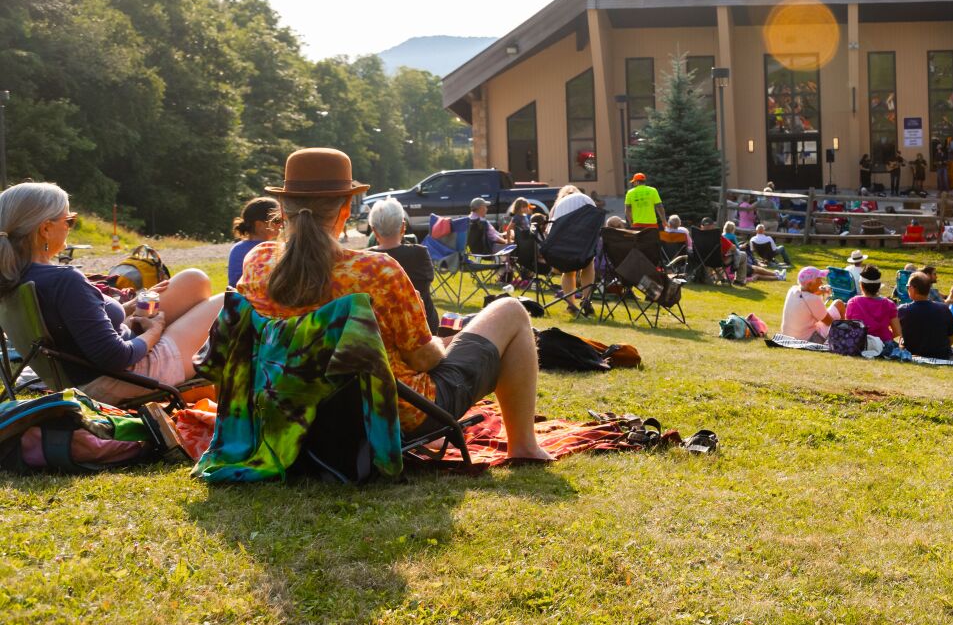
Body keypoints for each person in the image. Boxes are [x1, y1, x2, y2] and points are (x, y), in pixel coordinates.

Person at [237, 149, 553, 461]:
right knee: (510, 309)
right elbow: (424, 360)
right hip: (391, 416)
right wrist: (444, 343)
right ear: (346, 208)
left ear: (282, 207)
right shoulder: (376, 272)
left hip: (294, 415)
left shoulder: (258, 262)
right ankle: (524, 446)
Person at [0, 181, 223, 406]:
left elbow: (74, 321)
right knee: (228, 303)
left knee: (194, 280)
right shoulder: (64, 280)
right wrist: (155, 332)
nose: (70, 226)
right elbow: (115, 357)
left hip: (84, 371)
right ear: (45, 229)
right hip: (121, 378)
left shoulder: (15, 277)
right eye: (69, 221)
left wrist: (130, 305)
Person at [367, 198, 441, 333]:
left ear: (374, 230)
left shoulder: (365, 259)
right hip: (423, 328)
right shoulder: (420, 254)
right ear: (403, 227)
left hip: (381, 331)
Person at [548, 184, 595, 314]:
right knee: (588, 265)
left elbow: (549, 231)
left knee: (568, 271)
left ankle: (571, 304)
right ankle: (587, 300)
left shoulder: (556, 207)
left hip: (563, 248)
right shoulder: (586, 201)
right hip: (583, 246)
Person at [227, 198, 282, 288]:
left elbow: (233, 283)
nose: (282, 224)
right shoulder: (269, 249)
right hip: (258, 299)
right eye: (277, 220)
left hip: (237, 299)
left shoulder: (237, 248)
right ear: (259, 225)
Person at [778, 266, 842, 342]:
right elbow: (829, 322)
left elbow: (807, 291)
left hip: (787, 336)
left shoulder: (792, 290)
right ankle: (844, 335)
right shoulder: (813, 299)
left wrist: (821, 291)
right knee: (839, 304)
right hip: (808, 339)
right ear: (809, 284)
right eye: (819, 280)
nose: (821, 282)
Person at [843, 266, 900, 343]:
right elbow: (897, 331)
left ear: (861, 285)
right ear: (879, 286)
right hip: (884, 345)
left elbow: (848, 329)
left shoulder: (852, 303)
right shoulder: (889, 304)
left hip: (860, 345)